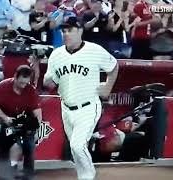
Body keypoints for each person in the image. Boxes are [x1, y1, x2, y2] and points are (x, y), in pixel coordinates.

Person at [43, 16, 119, 180]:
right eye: (63, 31)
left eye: (70, 30)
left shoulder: (95, 50)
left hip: (88, 107)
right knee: (75, 149)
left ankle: (88, 177)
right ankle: (83, 176)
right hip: (66, 109)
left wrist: (107, 87)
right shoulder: (56, 55)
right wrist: (47, 79)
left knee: (77, 146)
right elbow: (49, 82)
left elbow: (113, 66)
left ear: (80, 31)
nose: (66, 34)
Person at [0, 65, 42, 180]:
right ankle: (4, 174)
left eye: (26, 83)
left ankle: (28, 175)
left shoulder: (31, 90)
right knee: (4, 145)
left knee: (29, 147)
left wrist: (36, 129)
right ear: (15, 76)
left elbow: (37, 112)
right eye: (21, 83)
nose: (23, 86)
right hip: (7, 119)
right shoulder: (2, 87)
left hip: (25, 121)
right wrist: (5, 118)